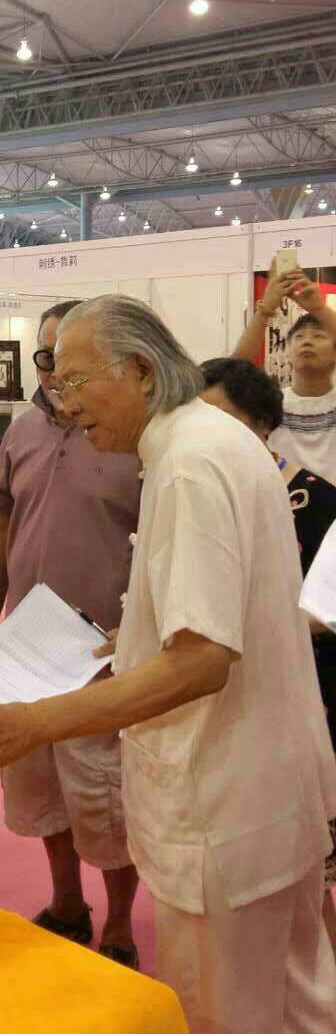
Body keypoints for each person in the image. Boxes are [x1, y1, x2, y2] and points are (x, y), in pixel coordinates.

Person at [0, 296, 336, 1034]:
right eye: (57, 382)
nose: (65, 402)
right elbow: (229, 614)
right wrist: (140, 632)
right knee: (298, 1004)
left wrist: (31, 724)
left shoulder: (188, 465)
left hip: (222, 810)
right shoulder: (211, 440)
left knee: (225, 1014)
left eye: (78, 382)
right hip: (267, 798)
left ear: (142, 370)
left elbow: (200, 664)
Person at [0, 301, 141, 960]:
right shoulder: (21, 431)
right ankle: (67, 902)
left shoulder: (132, 436)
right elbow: (1, 526)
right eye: (46, 357)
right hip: (24, 649)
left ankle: (121, 923)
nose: (54, 372)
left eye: (70, 360)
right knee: (39, 786)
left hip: (104, 652)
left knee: (108, 797)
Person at [200, 355, 336, 954]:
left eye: (220, 419)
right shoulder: (195, 490)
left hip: (303, 687)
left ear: (261, 426)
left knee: (306, 855)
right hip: (219, 693)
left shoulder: (317, 499)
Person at [234, 262, 336, 484]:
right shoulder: (272, 403)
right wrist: (265, 311)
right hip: (282, 500)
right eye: (299, 337)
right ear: (287, 351)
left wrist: (318, 308)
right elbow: (232, 375)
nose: (307, 341)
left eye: (318, 336)